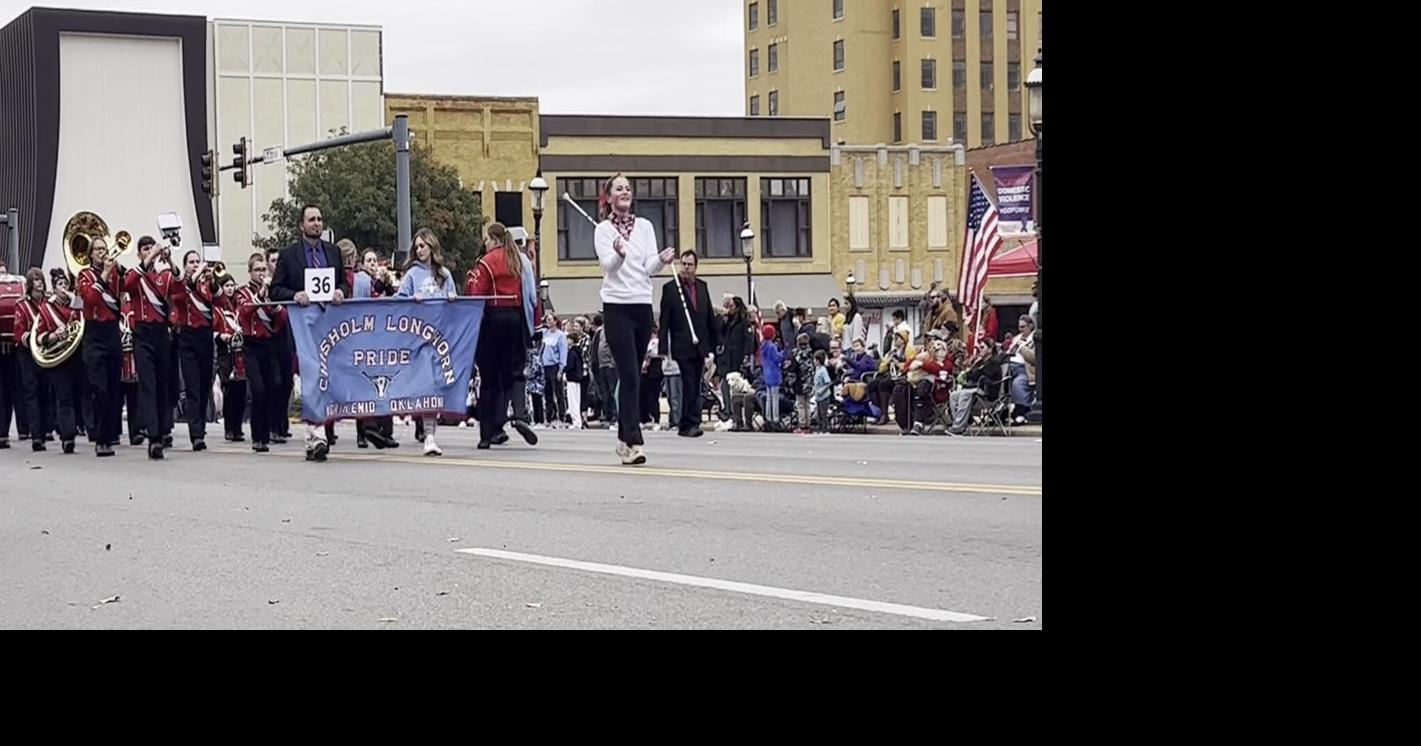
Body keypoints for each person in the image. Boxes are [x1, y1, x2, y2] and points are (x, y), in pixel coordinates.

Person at [594, 173, 677, 466]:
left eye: (628, 188)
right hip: (616, 306)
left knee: (634, 378)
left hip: (642, 305)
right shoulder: (603, 230)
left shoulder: (644, 226)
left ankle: (622, 439)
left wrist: (663, 260)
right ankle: (634, 441)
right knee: (629, 374)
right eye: (619, 188)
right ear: (609, 197)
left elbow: (649, 267)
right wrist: (618, 253)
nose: (625, 191)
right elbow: (608, 266)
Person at [268, 205, 348, 461]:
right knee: (312, 377)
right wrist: (295, 295)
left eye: (320, 219)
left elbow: (344, 281)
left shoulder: (333, 252)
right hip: (304, 326)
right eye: (311, 220)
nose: (317, 224)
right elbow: (275, 290)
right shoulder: (290, 255)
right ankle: (316, 435)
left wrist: (341, 292)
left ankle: (319, 433)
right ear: (301, 225)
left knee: (327, 377)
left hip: (330, 325)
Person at [466, 222, 538, 450]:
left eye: (487, 239)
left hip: (493, 317)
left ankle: (486, 433)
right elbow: (531, 295)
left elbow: (475, 293)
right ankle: (506, 419)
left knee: (488, 378)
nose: (484, 244)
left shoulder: (487, 262)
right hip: (515, 319)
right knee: (509, 375)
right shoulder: (517, 260)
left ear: (493, 239)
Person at [396, 227, 457, 457]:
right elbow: (398, 301)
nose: (420, 250)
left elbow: (454, 303)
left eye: (423, 245)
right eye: (417, 246)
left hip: (440, 337)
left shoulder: (444, 274)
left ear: (432, 246)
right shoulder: (411, 275)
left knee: (439, 385)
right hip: (419, 339)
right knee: (426, 386)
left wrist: (452, 299)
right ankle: (429, 435)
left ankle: (431, 431)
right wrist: (412, 300)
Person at [122, 237, 182, 459]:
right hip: (142, 334)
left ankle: (163, 429)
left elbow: (179, 287)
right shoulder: (136, 274)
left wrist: (171, 261)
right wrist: (147, 260)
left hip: (160, 334)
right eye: (145, 249)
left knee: (162, 384)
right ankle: (153, 437)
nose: (150, 251)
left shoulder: (163, 276)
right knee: (147, 384)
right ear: (139, 254)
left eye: (151, 247)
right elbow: (126, 284)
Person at [658, 250, 719, 437]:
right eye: (683, 263)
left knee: (696, 383)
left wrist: (715, 343)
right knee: (689, 383)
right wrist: (662, 347)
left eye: (689, 264)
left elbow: (708, 315)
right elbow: (664, 320)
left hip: (699, 344)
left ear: (695, 267)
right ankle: (687, 424)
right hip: (682, 344)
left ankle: (692, 420)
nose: (685, 267)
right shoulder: (671, 288)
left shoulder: (702, 287)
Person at [73, 236, 124, 456]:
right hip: (94, 334)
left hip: (112, 331)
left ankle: (110, 435)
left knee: (113, 388)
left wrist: (120, 269)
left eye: (105, 248)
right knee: (99, 388)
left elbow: (130, 284)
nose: (103, 253)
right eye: (99, 250)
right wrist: (104, 273)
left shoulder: (115, 274)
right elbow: (91, 298)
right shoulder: (85, 275)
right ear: (91, 254)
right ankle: (100, 438)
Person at [236, 252, 288, 453]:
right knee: (258, 389)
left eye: (263, 269)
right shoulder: (243, 293)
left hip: (270, 344)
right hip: (251, 345)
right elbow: (244, 312)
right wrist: (261, 295)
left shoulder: (272, 292)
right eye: (256, 270)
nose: (260, 273)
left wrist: (273, 303)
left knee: (273, 386)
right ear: (250, 272)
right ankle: (257, 435)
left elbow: (282, 317)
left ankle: (265, 434)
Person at [173, 250, 216, 451]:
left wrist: (213, 279)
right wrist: (195, 275)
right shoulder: (181, 283)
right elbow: (180, 297)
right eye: (191, 262)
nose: (196, 264)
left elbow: (221, 300)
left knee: (205, 385)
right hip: (188, 337)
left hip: (206, 337)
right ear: (185, 266)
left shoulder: (207, 284)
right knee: (192, 386)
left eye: (198, 261)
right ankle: (196, 433)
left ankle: (201, 425)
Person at [12, 270, 52, 452]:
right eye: (36, 280)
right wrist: (36, 340)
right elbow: (19, 331)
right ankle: (36, 436)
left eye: (41, 280)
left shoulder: (49, 302)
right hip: (28, 353)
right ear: (30, 284)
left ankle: (45, 430)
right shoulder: (21, 305)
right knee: (31, 392)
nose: (39, 283)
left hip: (47, 352)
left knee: (46, 391)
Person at [212, 274, 247, 443]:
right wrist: (221, 336)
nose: (230, 289)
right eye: (226, 286)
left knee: (241, 390)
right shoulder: (217, 308)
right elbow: (212, 331)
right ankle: (229, 428)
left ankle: (238, 428)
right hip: (225, 353)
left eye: (232, 285)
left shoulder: (239, 308)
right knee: (229, 391)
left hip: (240, 352)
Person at [716, 295, 751, 423]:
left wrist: (746, 356)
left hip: (737, 357)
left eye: (731, 307)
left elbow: (748, 340)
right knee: (724, 384)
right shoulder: (728, 321)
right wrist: (723, 319)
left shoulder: (743, 322)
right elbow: (720, 332)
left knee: (735, 387)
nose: (729, 309)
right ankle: (727, 409)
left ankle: (735, 413)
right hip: (726, 357)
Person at [538, 313, 568, 428]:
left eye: (550, 319)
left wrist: (561, 368)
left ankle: (561, 416)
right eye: (547, 320)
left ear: (555, 321)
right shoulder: (545, 334)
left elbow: (563, 352)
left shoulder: (560, 335)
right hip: (545, 365)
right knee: (547, 393)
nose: (548, 322)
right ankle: (549, 417)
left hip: (555, 365)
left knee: (558, 392)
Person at [1007, 315, 1037, 424]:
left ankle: (1022, 411)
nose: (1020, 330)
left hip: (1027, 371)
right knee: (999, 380)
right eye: (1019, 327)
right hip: (1010, 367)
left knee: (1017, 383)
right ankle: (1003, 411)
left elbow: (1035, 358)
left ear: (1030, 326)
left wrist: (1022, 347)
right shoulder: (1017, 338)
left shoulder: (1035, 339)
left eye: (1023, 327)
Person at [565, 318, 588, 430]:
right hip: (577, 378)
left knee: (573, 400)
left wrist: (564, 369)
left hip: (572, 378)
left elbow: (569, 365)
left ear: (572, 340)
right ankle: (577, 420)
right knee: (576, 400)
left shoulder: (572, 352)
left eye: (568, 339)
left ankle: (576, 421)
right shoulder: (578, 352)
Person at [759, 323, 783, 427]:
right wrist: (783, 352)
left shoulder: (763, 346)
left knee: (769, 397)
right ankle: (775, 418)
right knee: (775, 398)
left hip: (766, 374)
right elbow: (777, 358)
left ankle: (768, 417)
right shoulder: (772, 346)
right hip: (774, 374)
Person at [813, 350, 832, 434]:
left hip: (824, 395)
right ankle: (820, 427)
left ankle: (825, 428)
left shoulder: (823, 370)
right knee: (818, 413)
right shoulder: (817, 369)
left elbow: (828, 382)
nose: (814, 362)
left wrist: (822, 390)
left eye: (815, 360)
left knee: (823, 413)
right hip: (818, 395)